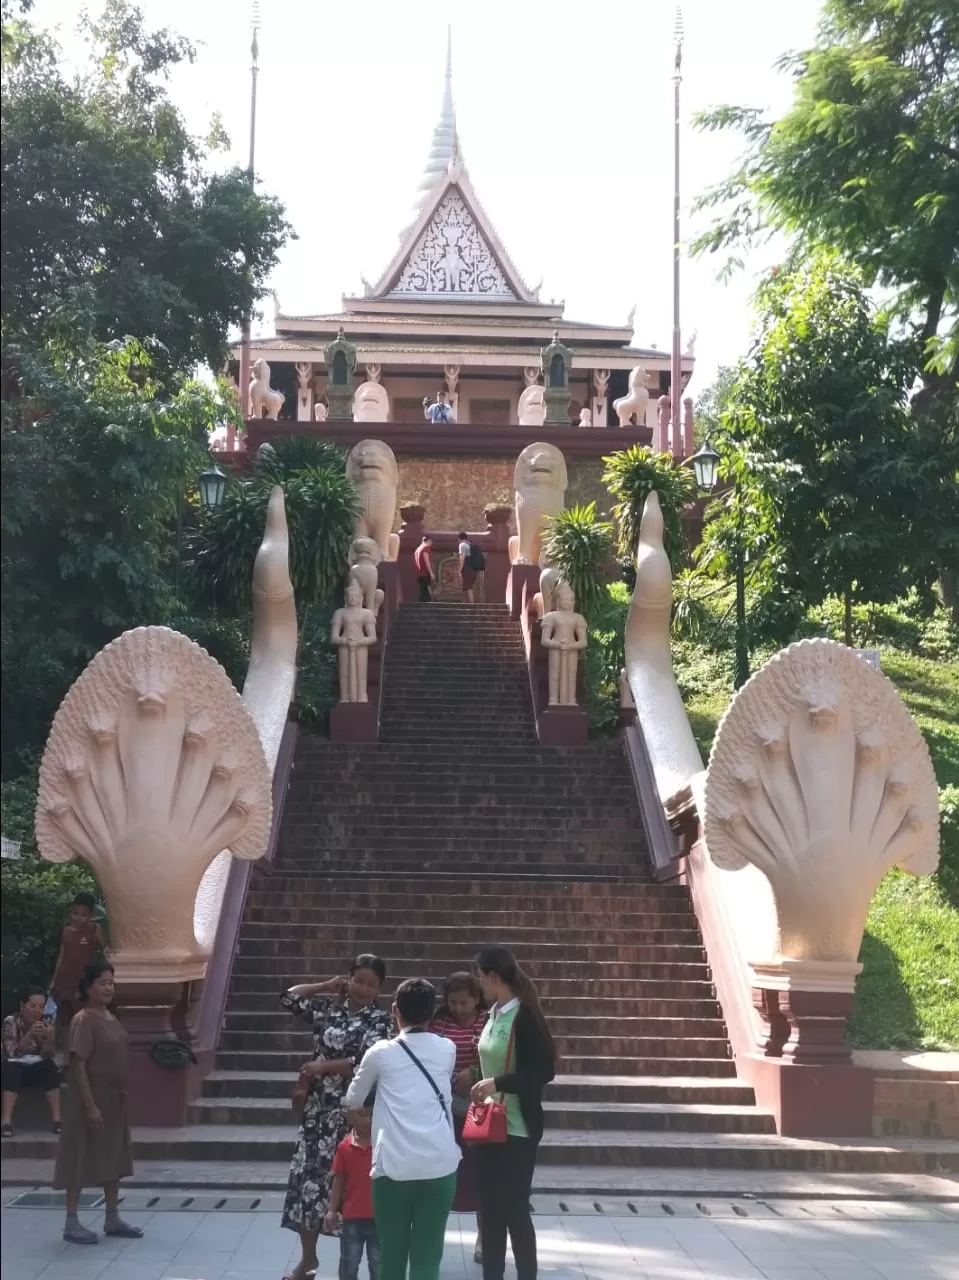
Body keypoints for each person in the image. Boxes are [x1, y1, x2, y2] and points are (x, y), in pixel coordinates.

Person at [280, 955, 391, 1280]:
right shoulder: (330, 1009)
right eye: (359, 980)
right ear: (349, 979)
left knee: (352, 1189)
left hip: (354, 1115)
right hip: (317, 1111)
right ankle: (308, 1260)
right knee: (308, 1185)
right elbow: (289, 997)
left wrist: (322, 1067)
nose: (364, 988)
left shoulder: (380, 1020)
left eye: (372, 983)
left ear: (379, 987)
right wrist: (327, 986)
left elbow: (363, 1061)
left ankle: (357, 1265)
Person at [345, 978, 460, 1280]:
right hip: (440, 1164)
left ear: (394, 1009)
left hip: (392, 1167)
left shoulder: (380, 1052)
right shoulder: (447, 1048)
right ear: (432, 1013)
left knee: (392, 1255)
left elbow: (353, 1099)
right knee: (427, 1256)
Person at [471, 946, 556, 1280]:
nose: (479, 984)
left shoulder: (524, 1016)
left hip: (518, 1129)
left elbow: (543, 1071)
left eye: (480, 977)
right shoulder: (493, 1013)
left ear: (493, 976)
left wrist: (498, 1083)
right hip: (487, 1127)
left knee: (515, 1211)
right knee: (489, 1212)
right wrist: (479, 1080)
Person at [53, 959, 140, 1245]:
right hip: (88, 1098)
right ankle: (71, 1221)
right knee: (79, 1154)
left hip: (114, 1098)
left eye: (111, 983)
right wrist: (90, 1105)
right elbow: (77, 1064)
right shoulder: (84, 1019)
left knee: (114, 1154)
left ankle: (112, 1216)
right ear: (88, 988)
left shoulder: (110, 1016)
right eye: (102, 983)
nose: (108, 988)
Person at [430, 972, 487, 1264]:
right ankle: (432, 1238)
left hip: (480, 1109)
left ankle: (484, 1238)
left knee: (481, 1175)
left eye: (464, 1002)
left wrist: (474, 1074)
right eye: (453, 1002)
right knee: (442, 1175)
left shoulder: (488, 1022)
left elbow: (499, 1058)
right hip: (443, 1109)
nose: (459, 1008)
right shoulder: (438, 1023)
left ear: (476, 1000)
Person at [325, 1108, 379, 1280]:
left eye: (372, 1114)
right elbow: (338, 1180)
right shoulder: (344, 1147)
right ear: (351, 1116)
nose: (368, 1120)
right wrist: (332, 1210)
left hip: (380, 1217)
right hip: (352, 1218)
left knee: (379, 1264)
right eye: (362, 1115)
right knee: (349, 1262)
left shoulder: (384, 1145)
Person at [1, 986, 60, 1137]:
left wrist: (48, 1038)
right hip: (13, 1066)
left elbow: (48, 1054)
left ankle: (57, 1120)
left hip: (35, 1067)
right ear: (23, 1006)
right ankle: (6, 1122)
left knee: (50, 1067)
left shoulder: (45, 1024)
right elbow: (11, 1053)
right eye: (32, 1006)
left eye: (41, 1007)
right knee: (12, 1069)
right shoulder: (11, 1021)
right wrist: (30, 1034)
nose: (36, 1010)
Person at [50, 892, 107, 1042]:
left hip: (81, 983)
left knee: (82, 1019)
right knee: (63, 1020)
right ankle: (63, 1054)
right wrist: (54, 980)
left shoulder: (95, 929)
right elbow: (61, 956)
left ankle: (81, 1053)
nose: (77, 918)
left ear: (90, 915)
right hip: (64, 981)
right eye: (74, 913)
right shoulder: (66, 931)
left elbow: (105, 951)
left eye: (83, 915)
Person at [457, 531, 485, 604]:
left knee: (468, 587)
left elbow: (462, 558)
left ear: (459, 539)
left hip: (467, 569)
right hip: (474, 569)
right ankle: (466, 603)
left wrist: (459, 570)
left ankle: (471, 605)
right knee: (467, 586)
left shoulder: (462, 545)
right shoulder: (469, 544)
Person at [414, 535, 436, 603]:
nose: (431, 543)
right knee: (428, 594)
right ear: (428, 540)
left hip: (419, 573)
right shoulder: (426, 547)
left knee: (423, 593)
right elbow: (426, 561)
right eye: (431, 541)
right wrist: (431, 572)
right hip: (425, 573)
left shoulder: (418, 549)